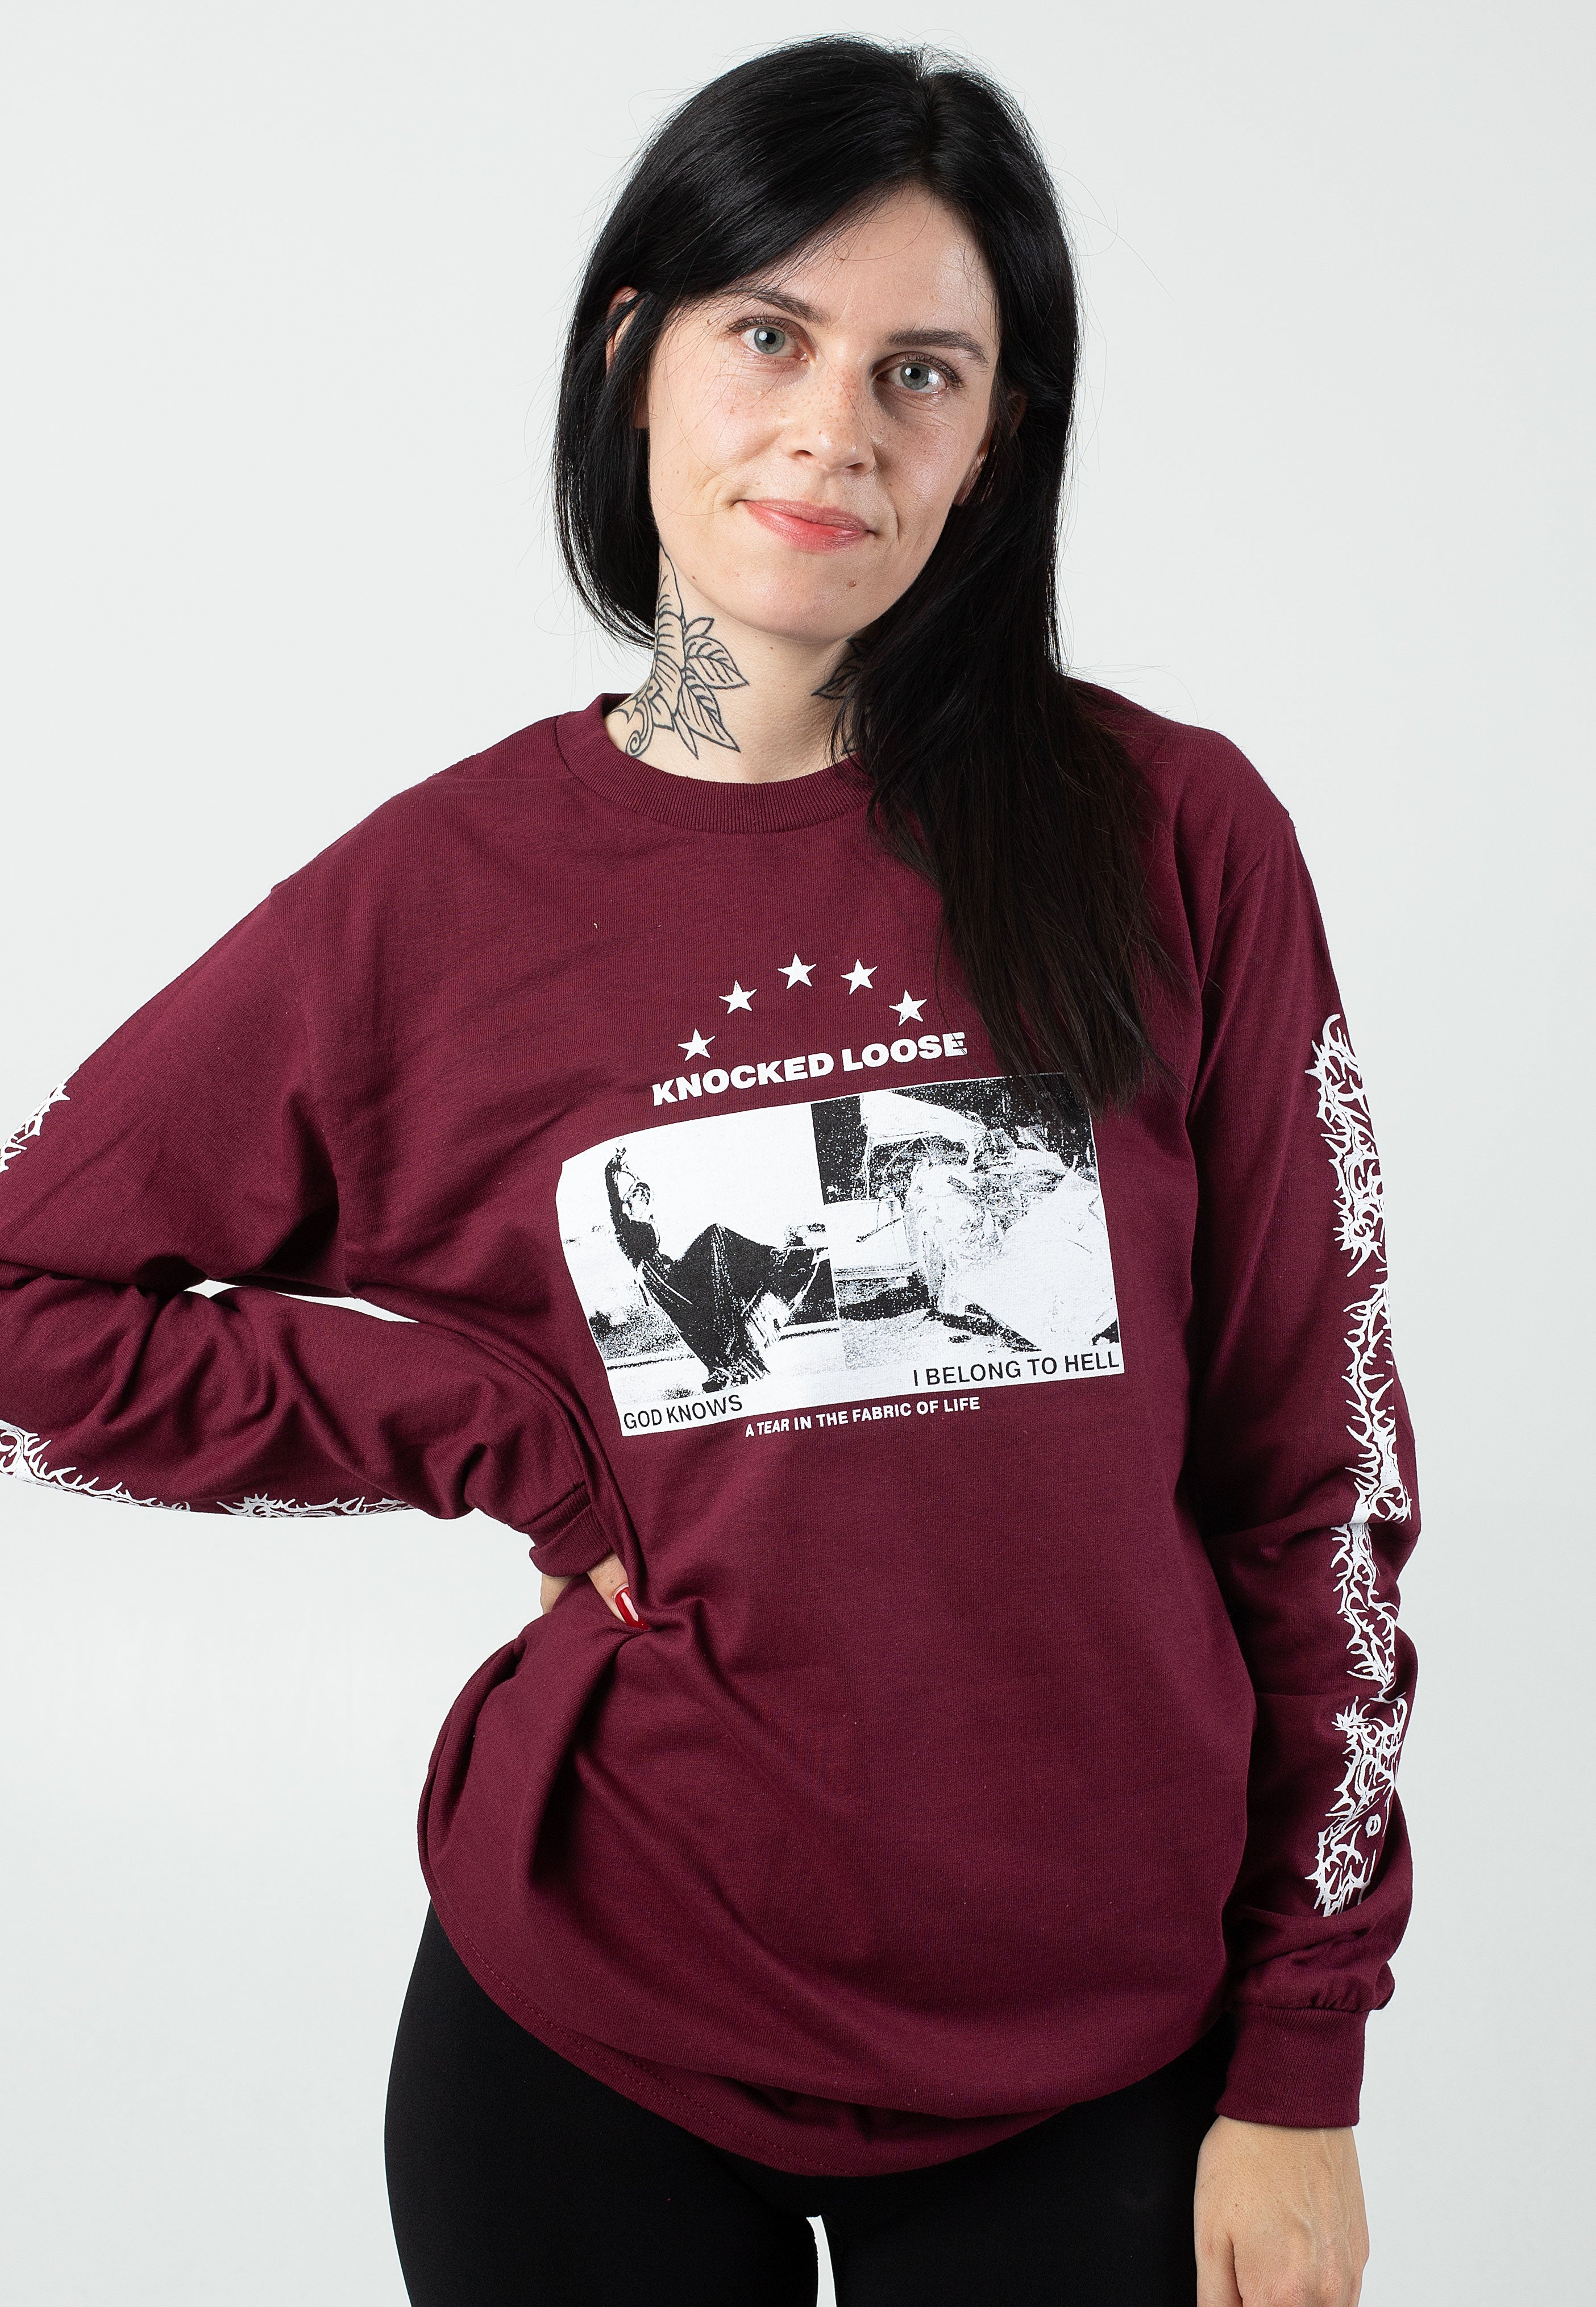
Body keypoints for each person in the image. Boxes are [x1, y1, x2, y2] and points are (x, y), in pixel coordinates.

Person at [0, 36, 1418, 2307]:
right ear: (632, 356)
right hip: (591, 2021)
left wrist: (1303, 2055)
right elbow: (30, 1301)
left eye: (920, 371)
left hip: (1097, 2048)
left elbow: (1313, 1482)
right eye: (768, 333)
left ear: (994, 437)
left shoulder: (1174, 835)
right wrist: (501, 1430)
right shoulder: (432, 903)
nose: (833, 427)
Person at [601, 1143, 826, 1389]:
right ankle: (773, 1262)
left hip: (669, 1270)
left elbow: (647, 1207)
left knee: (708, 1285)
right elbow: (612, 1191)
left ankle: (723, 1367)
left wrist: (636, 1178)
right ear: (627, 1199)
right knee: (696, 1304)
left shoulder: (646, 1221)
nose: (643, 1199)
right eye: (638, 1195)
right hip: (658, 1277)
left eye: (646, 1197)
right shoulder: (622, 1224)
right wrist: (617, 1168)